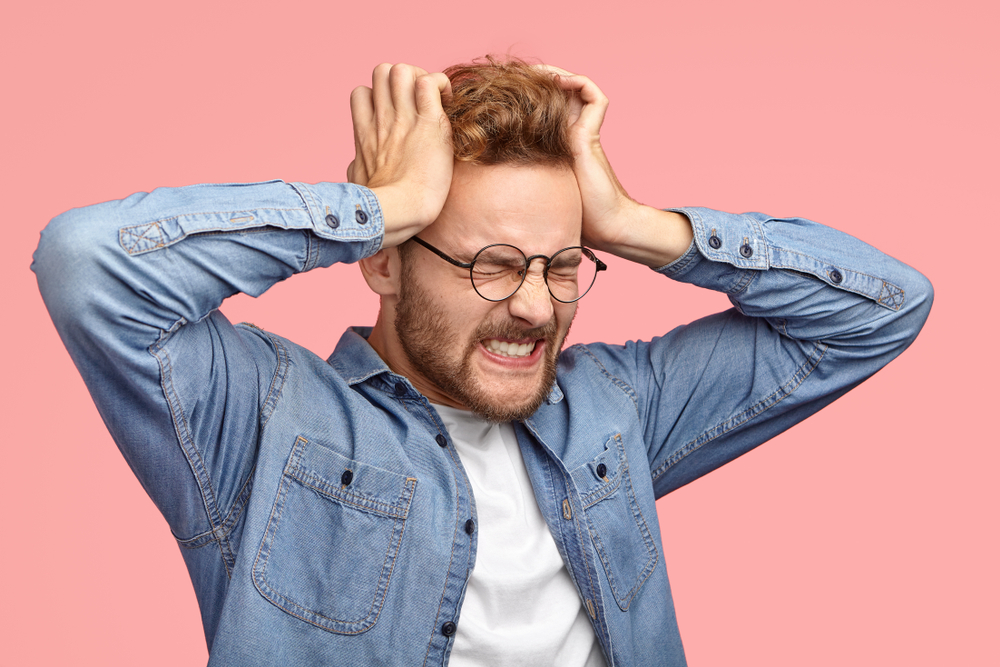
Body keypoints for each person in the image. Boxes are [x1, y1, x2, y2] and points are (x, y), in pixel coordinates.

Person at [33, 57, 932, 666]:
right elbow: (88, 263)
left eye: (563, 265)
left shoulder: (617, 405)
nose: (537, 305)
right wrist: (381, 205)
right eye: (492, 266)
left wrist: (635, 225)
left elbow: (883, 307)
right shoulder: (264, 420)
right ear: (384, 262)